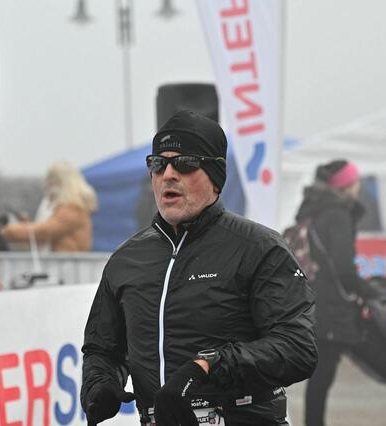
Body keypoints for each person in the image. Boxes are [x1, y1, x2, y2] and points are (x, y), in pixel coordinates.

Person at [80, 110, 317, 426]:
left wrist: (210, 367)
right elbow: (102, 348)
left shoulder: (259, 247)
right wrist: (100, 383)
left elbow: (298, 347)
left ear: (215, 177)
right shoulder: (127, 258)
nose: (168, 174)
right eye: (158, 163)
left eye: (184, 163)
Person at [293, 160, 381, 426]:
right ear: (346, 185)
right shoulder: (338, 214)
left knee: (320, 375)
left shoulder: (312, 210)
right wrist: (368, 291)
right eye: (355, 181)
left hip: (312, 300)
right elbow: (344, 267)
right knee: (324, 374)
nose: (358, 186)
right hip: (332, 305)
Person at [0, 161, 98, 252]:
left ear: (58, 182)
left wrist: (7, 231)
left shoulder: (72, 209)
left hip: (66, 264)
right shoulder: (74, 207)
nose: (46, 185)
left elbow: (43, 232)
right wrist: (26, 225)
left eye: (49, 180)